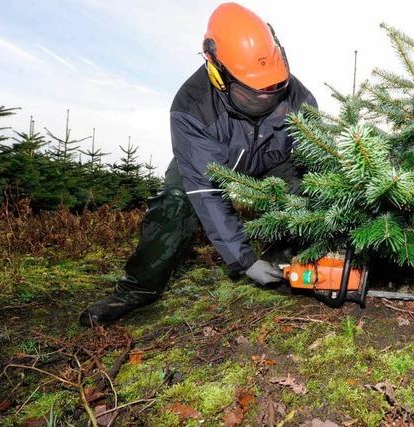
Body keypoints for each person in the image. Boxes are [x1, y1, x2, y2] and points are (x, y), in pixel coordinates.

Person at [79, 2, 317, 326]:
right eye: (253, 94)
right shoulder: (191, 107)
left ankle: (282, 264)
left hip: (273, 161)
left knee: (302, 190)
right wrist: (243, 260)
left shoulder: (299, 98)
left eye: (273, 90)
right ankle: (138, 289)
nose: (266, 99)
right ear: (218, 72)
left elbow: (317, 161)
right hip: (208, 162)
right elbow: (207, 191)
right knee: (176, 202)